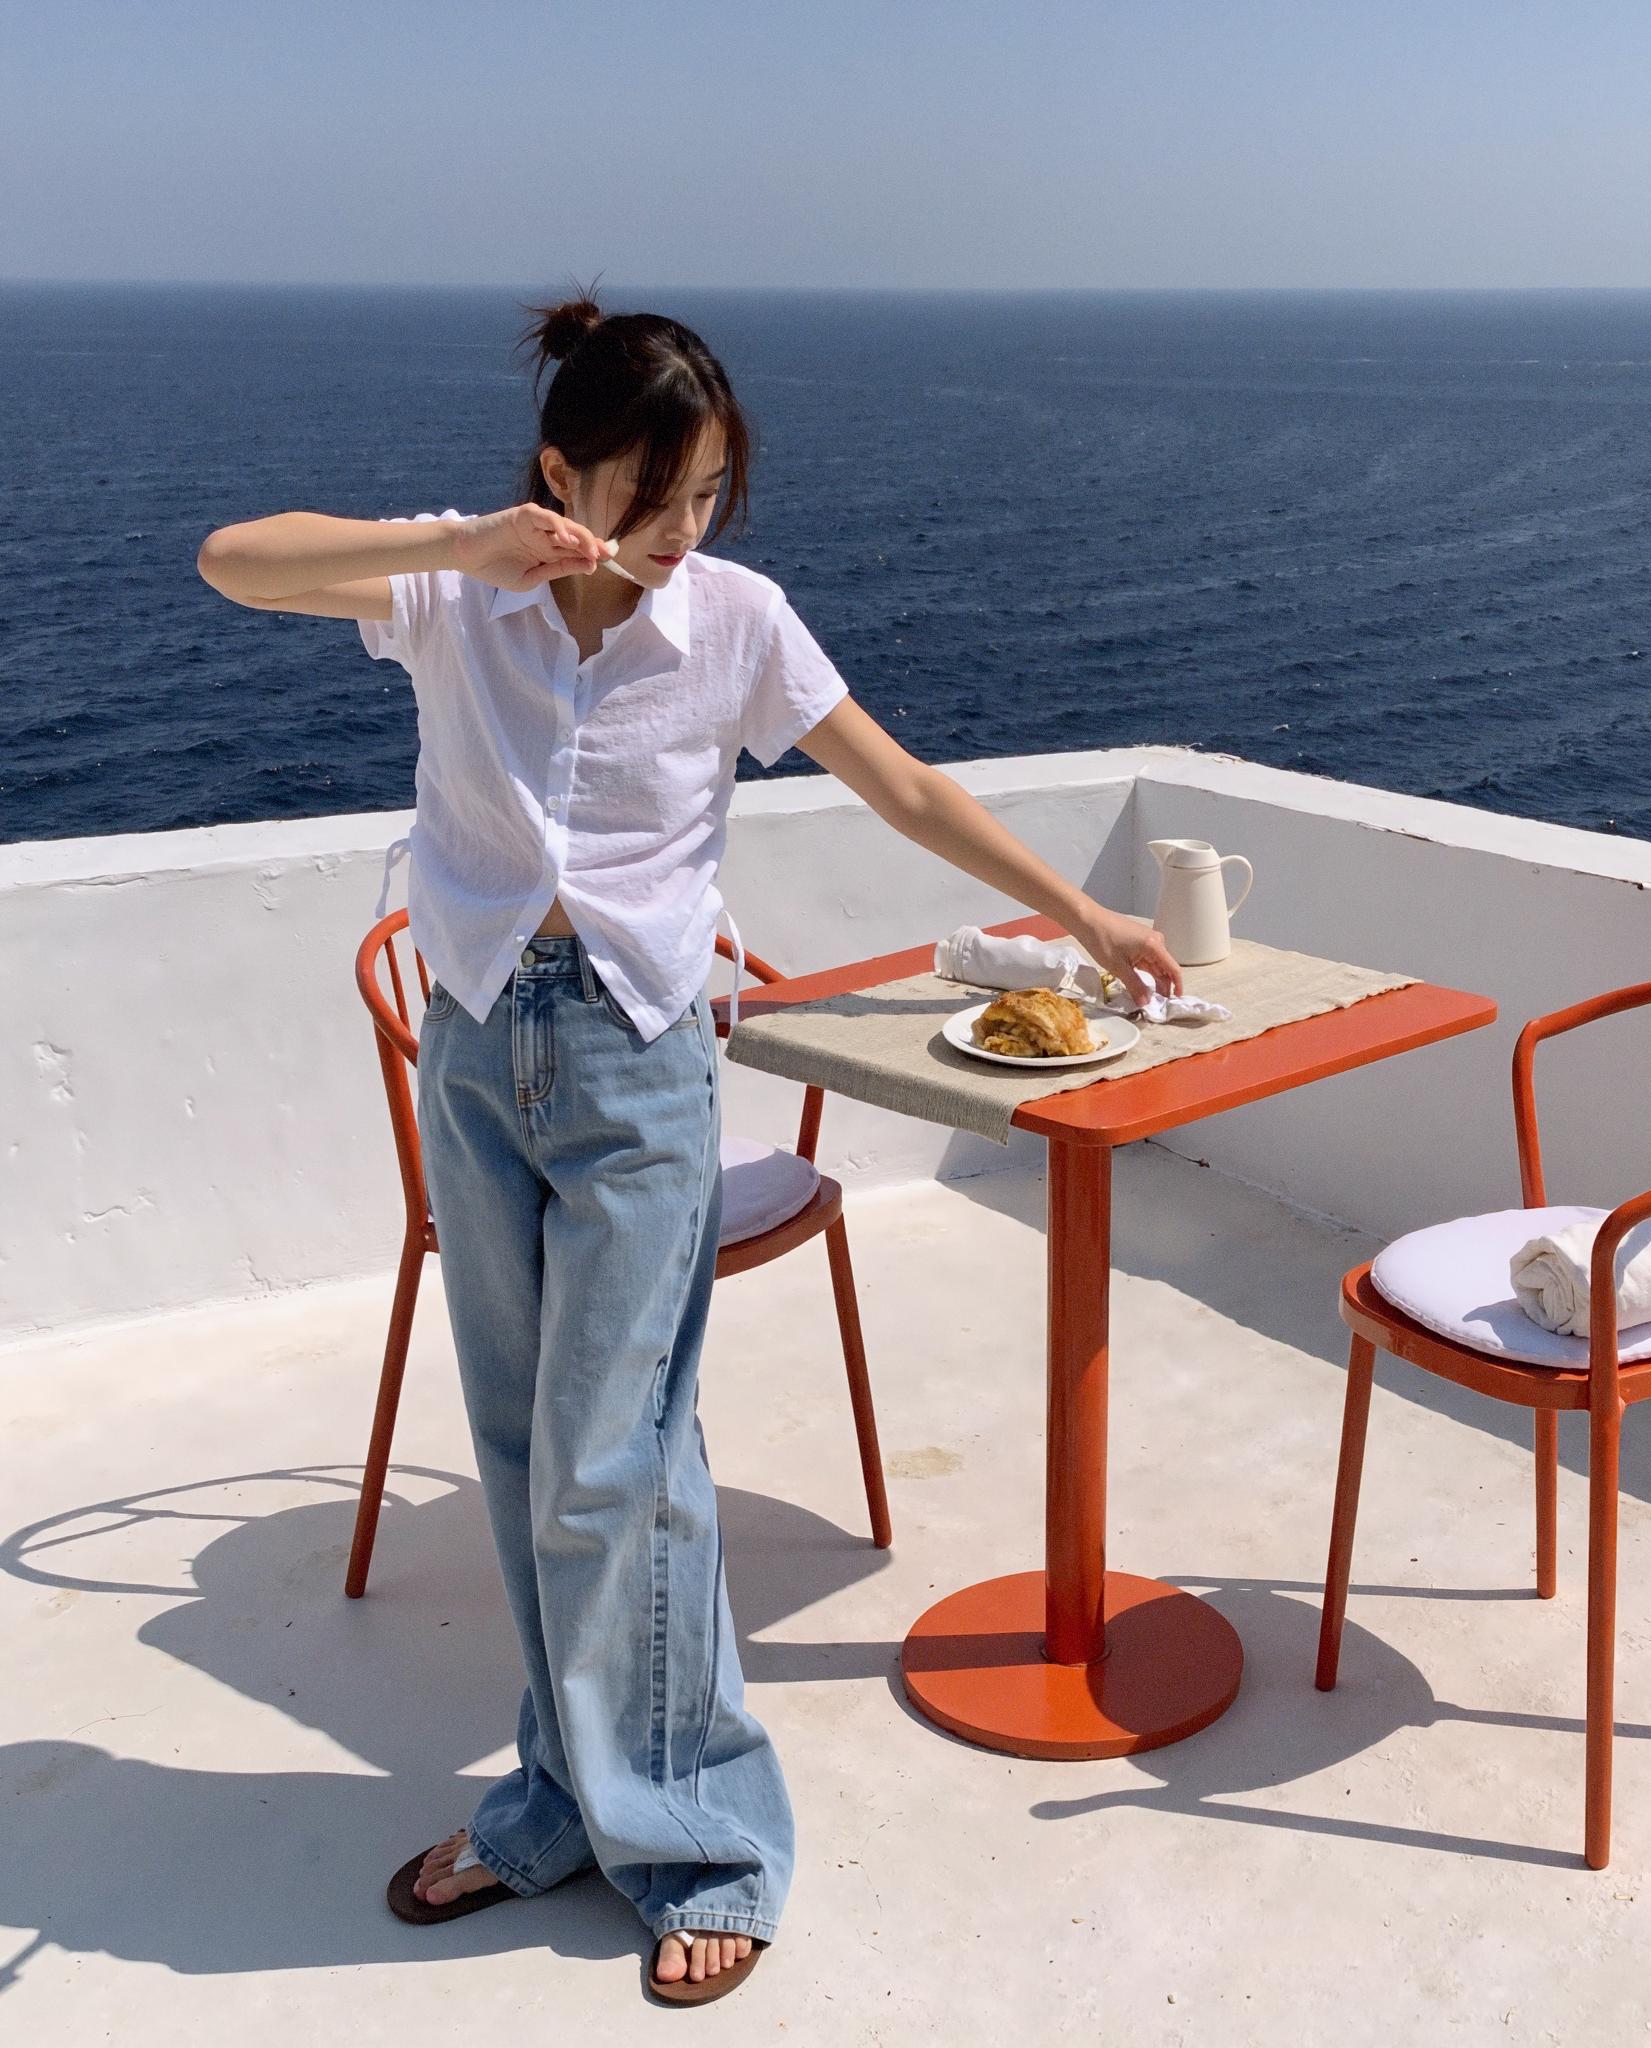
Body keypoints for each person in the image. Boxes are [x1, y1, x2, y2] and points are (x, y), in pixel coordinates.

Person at [196, 293, 1182, 2006]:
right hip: (477, 1048)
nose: (683, 530)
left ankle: (708, 1841)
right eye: (654, 496)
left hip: (638, 1063)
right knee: (525, 1452)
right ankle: (557, 1802)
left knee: (620, 1460)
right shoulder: (459, 590)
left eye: (709, 493)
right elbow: (236, 562)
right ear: (558, 473)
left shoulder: (735, 620)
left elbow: (900, 784)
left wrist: (1082, 912)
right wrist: (462, 546)